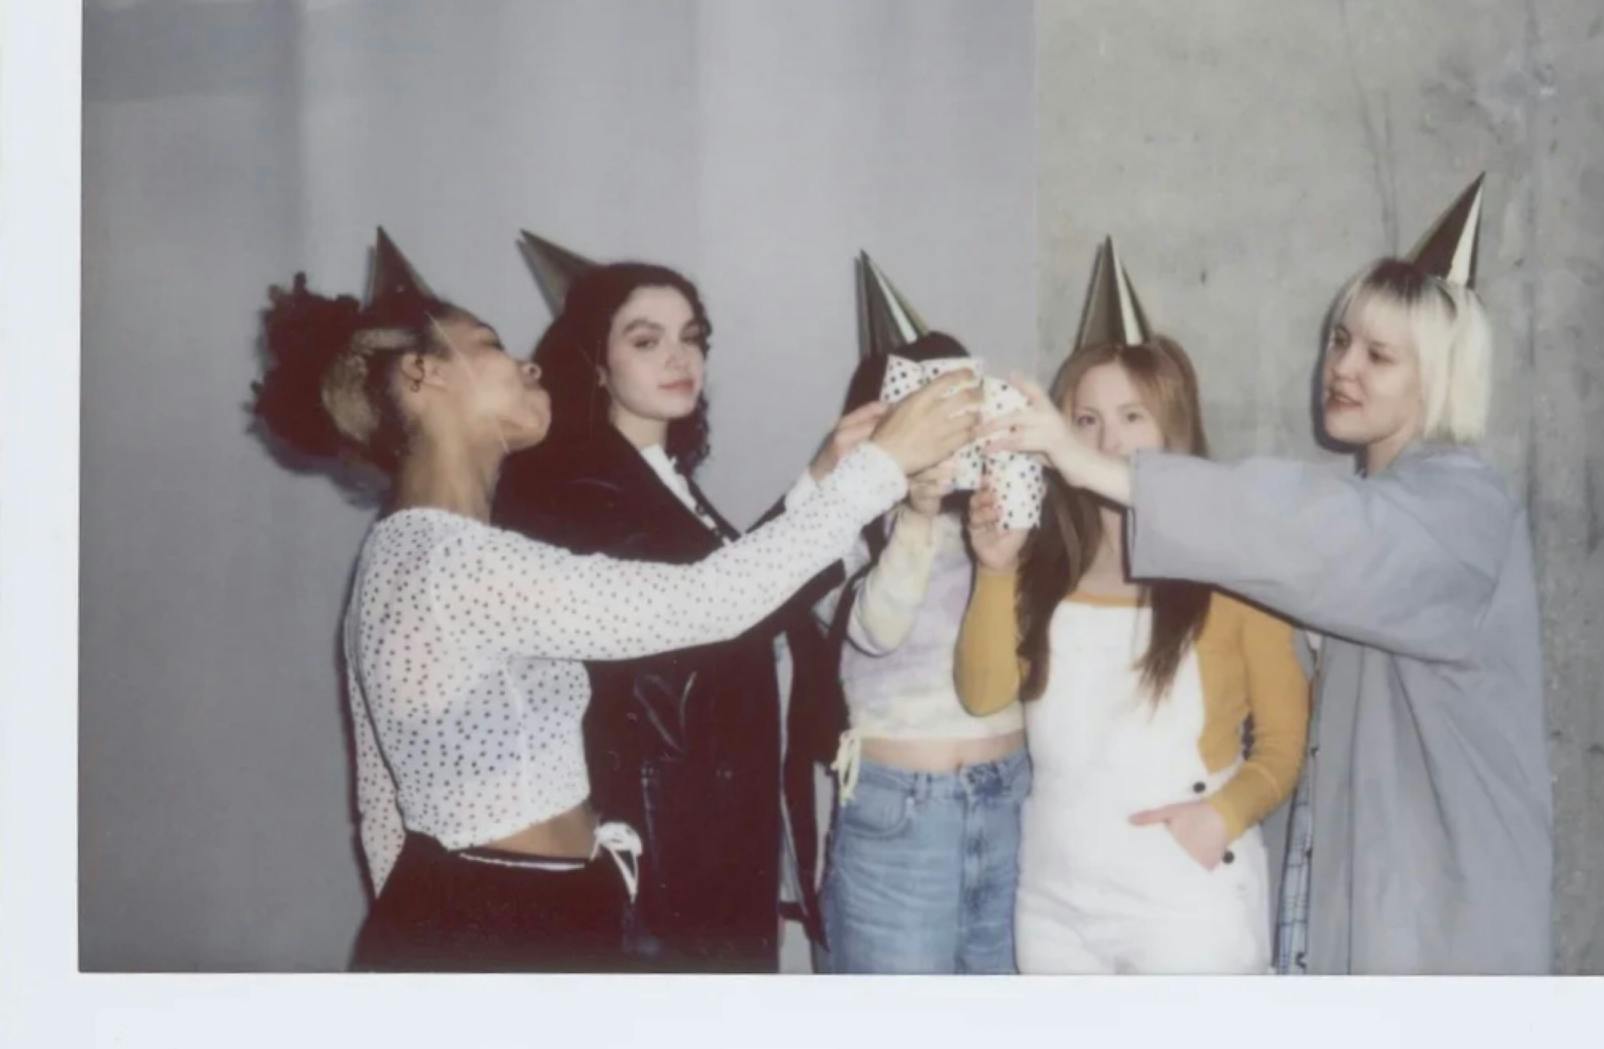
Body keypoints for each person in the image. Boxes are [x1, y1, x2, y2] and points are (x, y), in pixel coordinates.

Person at [248, 231, 980, 970]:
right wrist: (882, 467)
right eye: (492, 344)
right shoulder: (453, 564)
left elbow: (383, 814)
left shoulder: (402, 555)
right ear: (423, 374)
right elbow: (708, 602)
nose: (529, 361)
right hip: (501, 923)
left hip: (532, 906)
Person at [987, 182, 1554, 973]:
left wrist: (1091, 462)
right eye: (1340, 339)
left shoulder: (1462, 510)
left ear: (1442, 375)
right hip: (1359, 894)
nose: (1343, 366)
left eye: (1379, 355)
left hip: (1439, 910)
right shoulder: (1386, 503)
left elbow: (1322, 538)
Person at [494, 241, 854, 971]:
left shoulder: (662, 477)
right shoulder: (589, 495)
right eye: (645, 339)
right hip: (664, 826)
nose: (678, 357)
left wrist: (823, 475)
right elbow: (719, 614)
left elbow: (729, 582)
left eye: (692, 337)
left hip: (717, 812)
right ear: (597, 362)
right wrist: (856, 503)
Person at [955, 242, 1310, 974]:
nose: (1108, 440)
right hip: (1054, 905)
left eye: (1132, 416)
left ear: (1175, 427)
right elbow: (983, 694)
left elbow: (1283, 741)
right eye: (1084, 421)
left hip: (1188, 900)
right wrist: (995, 571)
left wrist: (1223, 817)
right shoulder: (1042, 564)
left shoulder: (1231, 568)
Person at [814, 254, 1030, 974]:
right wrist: (915, 508)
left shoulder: (1008, 509)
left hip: (1011, 800)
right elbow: (877, 630)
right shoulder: (837, 519)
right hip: (898, 810)